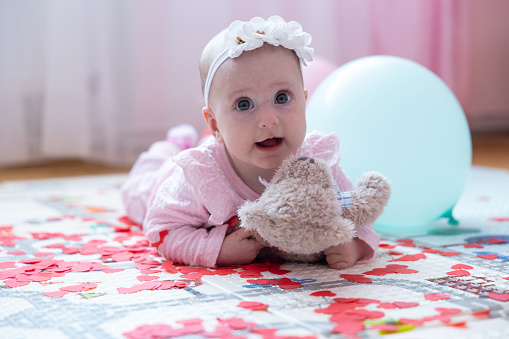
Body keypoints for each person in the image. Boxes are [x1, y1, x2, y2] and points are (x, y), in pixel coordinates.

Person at [121, 15, 380, 269]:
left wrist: (354, 245)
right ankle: (172, 144)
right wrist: (218, 250)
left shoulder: (318, 162)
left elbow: (355, 210)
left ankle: (182, 140)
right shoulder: (201, 177)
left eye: (282, 97)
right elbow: (161, 229)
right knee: (137, 188)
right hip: (162, 182)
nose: (268, 119)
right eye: (244, 104)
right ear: (214, 125)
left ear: (304, 102)